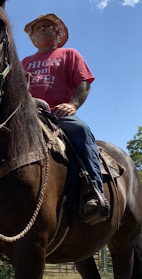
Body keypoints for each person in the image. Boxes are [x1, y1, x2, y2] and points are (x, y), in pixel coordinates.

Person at [21, 13, 110, 225]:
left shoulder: (69, 54)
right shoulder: (24, 62)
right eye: (38, 27)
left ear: (57, 33)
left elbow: (84, 83)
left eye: (48, 26)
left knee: (79, 131)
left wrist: (73, 105)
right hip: (28, 115)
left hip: (58, 114)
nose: (43, 29)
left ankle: (93, 191)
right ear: (32, 37)